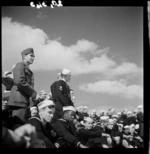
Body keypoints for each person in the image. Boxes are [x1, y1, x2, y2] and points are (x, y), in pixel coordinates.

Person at [7, 48, 37, 125]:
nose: (33, 58)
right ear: (24, 56)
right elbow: (19, 82)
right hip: (18, 101)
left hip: (23, 101)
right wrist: (33, 93)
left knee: (21, 126)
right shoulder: (20, 65)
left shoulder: (26, 67)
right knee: (18, 126)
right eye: (31, 56)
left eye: (34, 56)